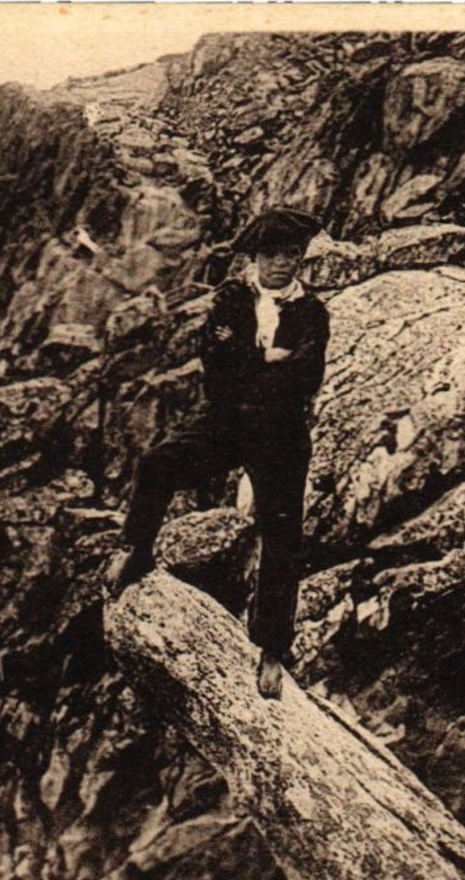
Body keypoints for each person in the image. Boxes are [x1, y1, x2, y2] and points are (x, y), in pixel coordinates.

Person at [108, 208, 330, 699]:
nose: (282, 264)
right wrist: (266, 360)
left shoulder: (312, 312)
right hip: (227, 422)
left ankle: (272, 650)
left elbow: (307, 377)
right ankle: (136, 551)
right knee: (158, 464)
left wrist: (252, 367)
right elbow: (216, 364)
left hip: (282, 435)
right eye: (272, 255)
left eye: (291, 254)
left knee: (281, 539)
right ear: (256, 257)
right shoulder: (232, 298)